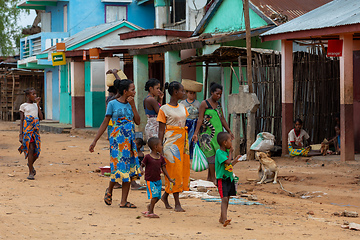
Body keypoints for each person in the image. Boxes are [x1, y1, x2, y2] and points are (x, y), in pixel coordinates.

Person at [89, 79, 141, 208]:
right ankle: (110, 190)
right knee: (117, 168)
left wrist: (133, 106)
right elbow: (105, 122)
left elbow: (138, 121)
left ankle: (123, 201)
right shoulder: (112, 104)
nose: (134, 92)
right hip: (117, 141)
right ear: (125, 91)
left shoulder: (132, 104)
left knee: (128, 170)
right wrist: (95, 140)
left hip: (129, 141)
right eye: (132, 89)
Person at [157, 81, 190, 212]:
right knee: (174, 171)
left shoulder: (183, 107)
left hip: (183, 142)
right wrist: (158, 147)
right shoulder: (163, 109)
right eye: (182, 91)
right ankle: (177, 203)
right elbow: (161, 130)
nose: (184, 93)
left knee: (182, 171)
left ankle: (165, 196)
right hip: (171, 144)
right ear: (175, 92)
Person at [192, 82, 234, 184]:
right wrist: (196, 133)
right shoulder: (204, 104)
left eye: (220, 94)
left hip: (218, 135)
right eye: (217, 94)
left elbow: (222, 119)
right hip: (207, 134)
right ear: (212, 93)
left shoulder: (218, 105)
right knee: (211, 156)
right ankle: (213, 178)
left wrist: (229, 131)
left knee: (217, 155)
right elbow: (200, 119)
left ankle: (210, 177)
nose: (219, 96)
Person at [141, 137, 174, 218]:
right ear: (156, 147)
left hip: (158, 180)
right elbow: (141, 165)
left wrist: (169, 178)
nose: (162, 147)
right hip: (150, 180)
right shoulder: (148, 157)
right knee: (154, 196)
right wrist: (141, 170)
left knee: (158, 197)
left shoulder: (161, 158)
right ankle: (151, 212)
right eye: (161, 145)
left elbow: (164, 168)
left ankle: (150, 206)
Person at [215, 132, 241, 227]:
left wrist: (235, 161)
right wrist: (230, 153)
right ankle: (225, 219)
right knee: (224, 199)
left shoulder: (225, 152)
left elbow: (229, 165)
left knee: (227, 198)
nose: (231, 142)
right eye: (230, 140)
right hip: (222, 179)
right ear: (224, 142)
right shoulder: (219, 152)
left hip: (229, 178)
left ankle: (222, 218)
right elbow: (227, 161)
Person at [18, 88, 44, 180]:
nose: (35, 96)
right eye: (33, 94)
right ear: (28, 95)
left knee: (37, 151)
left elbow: (41, 118)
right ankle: (30, 173)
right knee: (31, 149)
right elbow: (22, 120)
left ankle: (30, 164)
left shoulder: (36, 106)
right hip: (27, 132)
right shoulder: (23, 106)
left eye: (36, 94)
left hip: (35, 131)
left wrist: (38, 105)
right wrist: (20, 134)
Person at [180, 89, 201, 159]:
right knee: (185, 141)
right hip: (186, 125)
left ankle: (194, 158)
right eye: (190, 93)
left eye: (194, 93)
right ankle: (185, 157)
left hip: (195, 125)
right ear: (186, 93)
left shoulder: (198, 103)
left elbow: (200, 115)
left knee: (194, 141)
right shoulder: (182, 103)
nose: (192, 95)